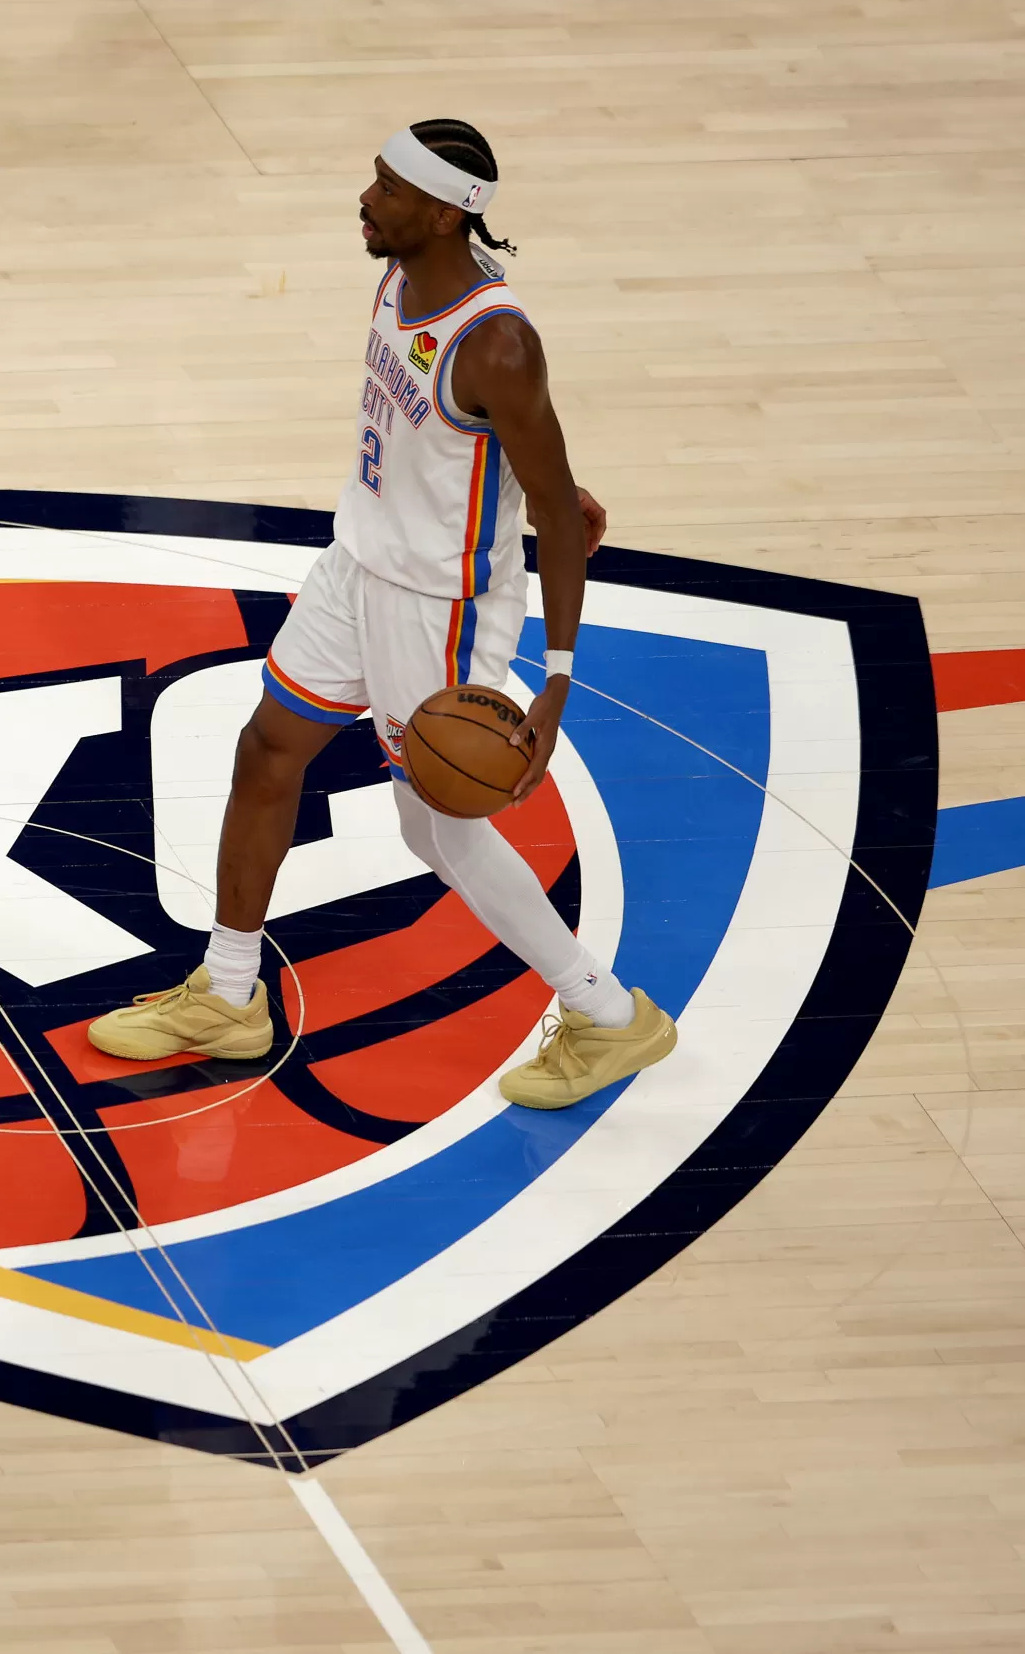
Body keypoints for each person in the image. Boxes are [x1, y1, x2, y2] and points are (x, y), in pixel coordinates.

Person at [89, 121, 676, 1109]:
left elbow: (557, 514)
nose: (366, 200)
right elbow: (493, 461)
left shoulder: (497, 343)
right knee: (267, 750)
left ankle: (607, 1013)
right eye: (374, 180)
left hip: (438, 607)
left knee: (438, 832)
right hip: (357, 563)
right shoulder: (397, 279)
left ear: (446, 213)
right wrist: (538, 485)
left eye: (389, 189)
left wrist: (557, 683)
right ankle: (229, 994)